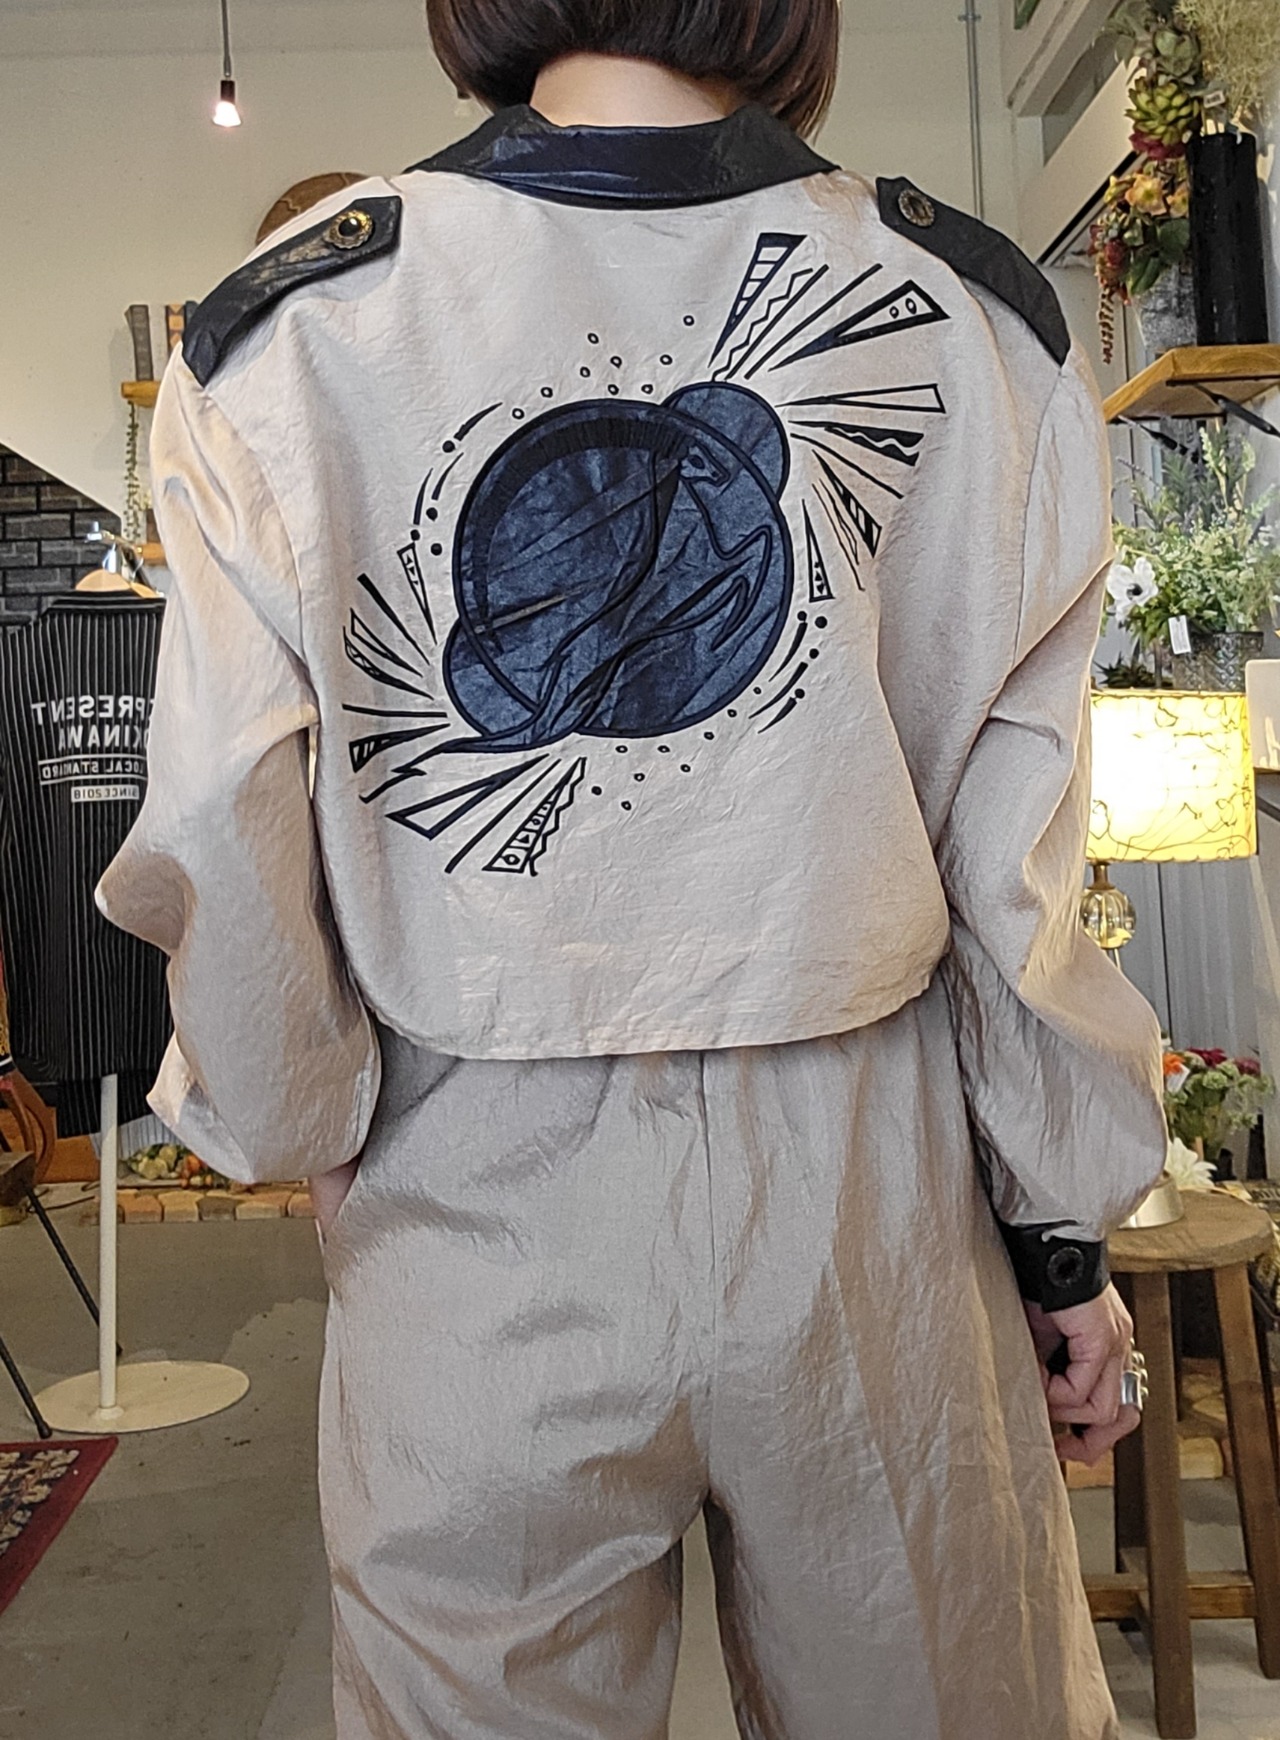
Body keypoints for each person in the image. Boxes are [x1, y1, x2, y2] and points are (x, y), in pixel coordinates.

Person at [99, 3, 1168, 1735]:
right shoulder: (967, 317)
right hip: (868, 1192)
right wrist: (1058, 1235)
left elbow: (227, 818)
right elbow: (1018, 866)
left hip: (468, 1188)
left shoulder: (294, 329)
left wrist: (302, 1124)